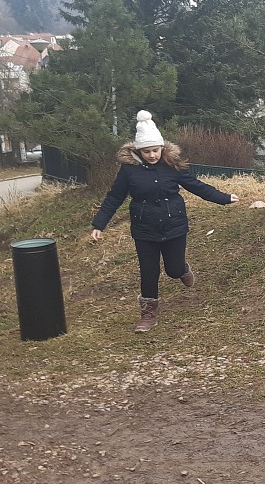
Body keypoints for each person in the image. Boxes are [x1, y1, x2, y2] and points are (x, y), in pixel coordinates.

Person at [90, 110, 238, 333]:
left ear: (161, 147)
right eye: (147, 151)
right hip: (144, 229)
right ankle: (148, 315)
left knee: (173, 269)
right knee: (149, 272)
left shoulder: (171, 165)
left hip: (174, 226)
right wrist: (99, 225)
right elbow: (114, 197)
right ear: (139, 150)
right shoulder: (129, 170)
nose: (152, 155)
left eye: (155, 150)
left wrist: (224, 198)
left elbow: (196, 186)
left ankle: (183, 269)